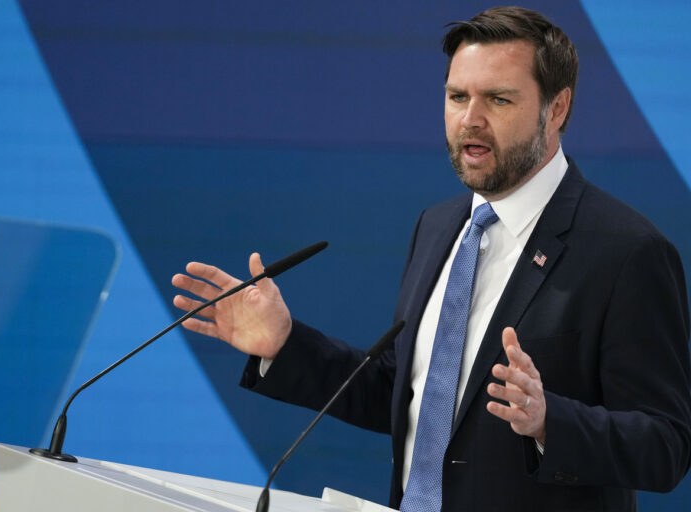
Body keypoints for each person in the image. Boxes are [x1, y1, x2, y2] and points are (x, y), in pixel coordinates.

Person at [171, 6, 691, 511]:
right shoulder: (440, 227)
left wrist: (549, 420)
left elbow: (666, 446)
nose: (471, 119)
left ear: (557, 109)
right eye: (457, 96)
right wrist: (285, 345)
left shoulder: (627, 253)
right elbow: (409, 394)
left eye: (499, 100)